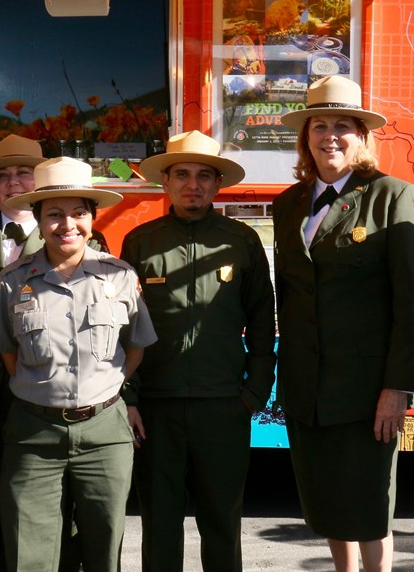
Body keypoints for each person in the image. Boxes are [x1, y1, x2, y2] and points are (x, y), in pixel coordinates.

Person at [272, 75, 414, 572]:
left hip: (366, 391)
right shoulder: (289, 204)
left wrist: (398, 388)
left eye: (344, 125)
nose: (330, 135)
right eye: (319, 125)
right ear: (306, 137)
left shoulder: (395, 197)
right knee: (325, 504)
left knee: (367, 506)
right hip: (308, 387)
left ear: (363, 136)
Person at [0, 156, 157, 572]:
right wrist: (46, 390)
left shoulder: (119, 277)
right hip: (33, 433)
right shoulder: (12, 280)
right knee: (30, 554)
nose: (67, 225)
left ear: (92, 219)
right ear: (38, 220)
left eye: (79, 213)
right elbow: (9, 354)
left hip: (105, 433)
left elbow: (136, 347)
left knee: (104, 548)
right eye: (54, 214)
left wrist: (107, 388)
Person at [120, 130, 275, 572]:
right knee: (159, 522)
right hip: (156, 408)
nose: (194, 184)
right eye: (182, 175)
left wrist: (253, 394)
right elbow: (122, 327)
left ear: (217, 183)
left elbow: (263, 319)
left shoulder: (241, 240)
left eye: (204, 176)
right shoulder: (140, 242)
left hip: (223, 406)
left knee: (222, 522)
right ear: (165, 182)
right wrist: (130, 397)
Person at [0, 135, 106, 571]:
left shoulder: (81, 239)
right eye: (4, 175)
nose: (14, 182)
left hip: (49, 399)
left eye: (24, 173)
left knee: (56, 509)